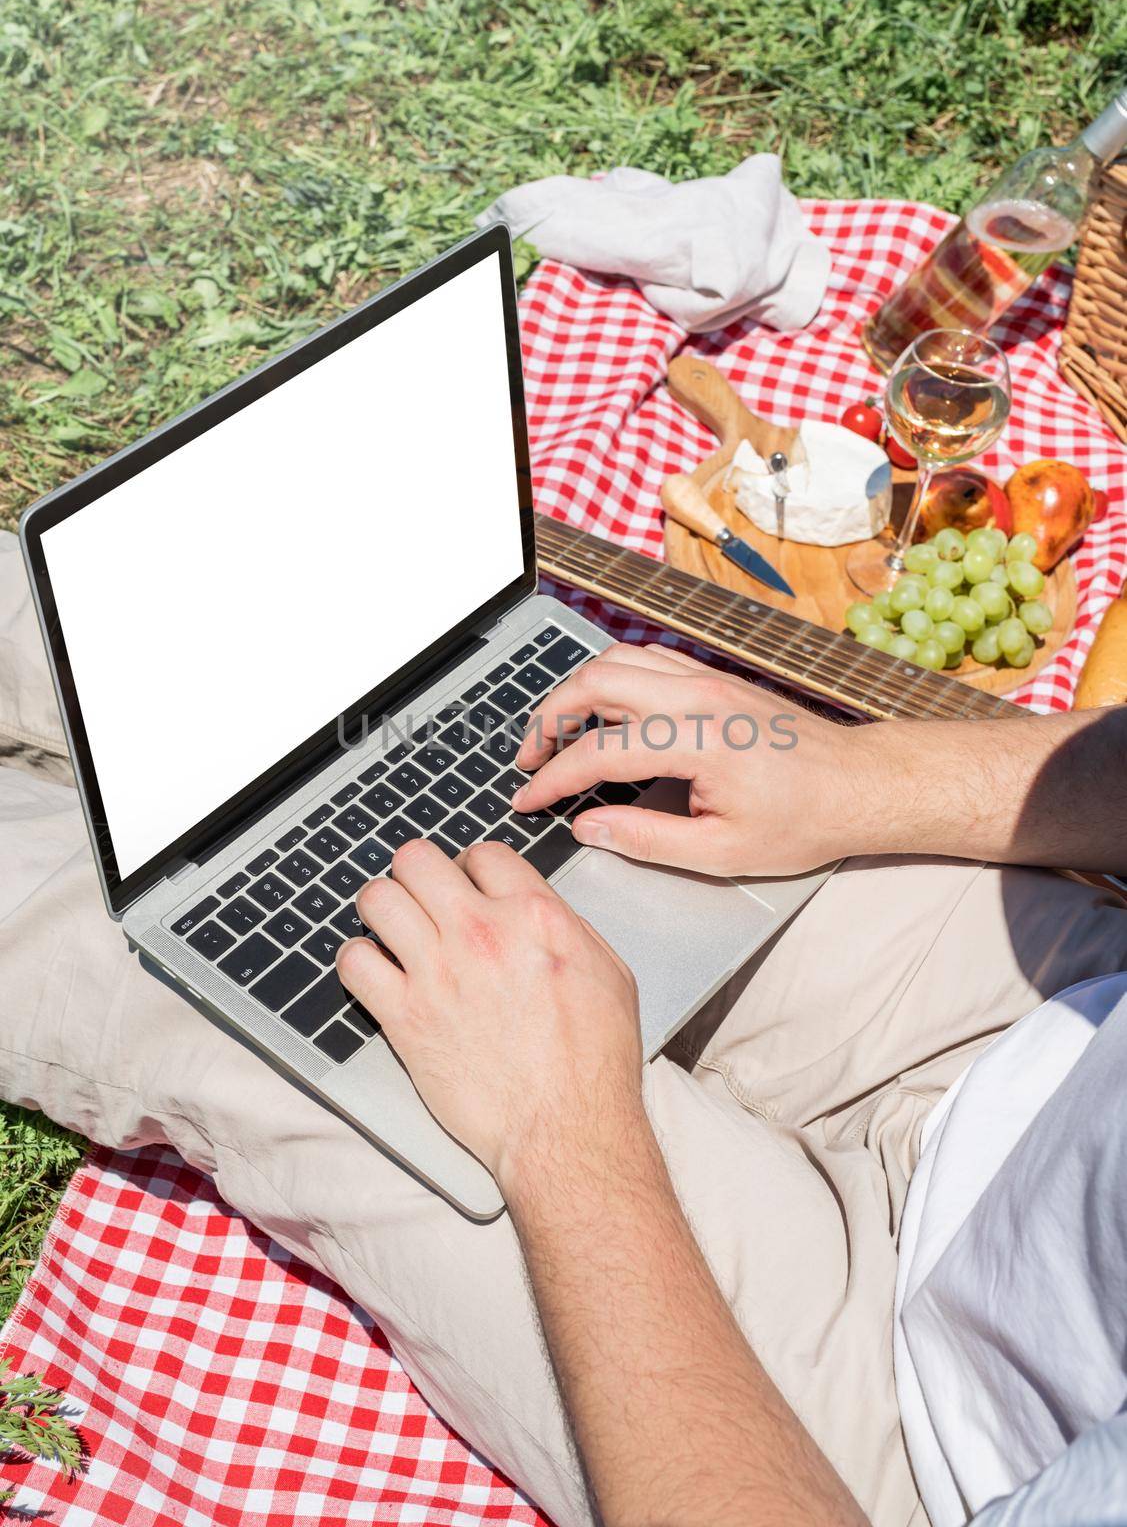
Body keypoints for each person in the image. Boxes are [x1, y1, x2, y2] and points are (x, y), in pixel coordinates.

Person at [2, 530, 1126, 1525]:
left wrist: (561, 1132)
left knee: (259, 1002)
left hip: (898, 1427)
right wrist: (851, 770)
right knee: (430, 705)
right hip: (1047, 1006)